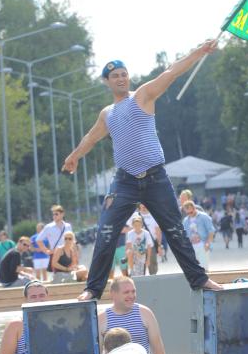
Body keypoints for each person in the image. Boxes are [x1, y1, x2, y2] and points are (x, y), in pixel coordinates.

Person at [62, 41, 222, 300]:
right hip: (124, 181)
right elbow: (91, 137)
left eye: (124, 74)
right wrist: (74, 156)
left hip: (155, 178)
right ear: (107, 81)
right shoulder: (108, 113)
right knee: (105, 232)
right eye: (115, 76)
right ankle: (92, 289)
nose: (121, 79)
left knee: (175, 231)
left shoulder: (143, 96)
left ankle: (200, 279)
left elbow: (171, 72)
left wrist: (198, 52)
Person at [98, 275, 167, 354]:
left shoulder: (145, 313)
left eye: (133, 291)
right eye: (126, 292)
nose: (131, 295)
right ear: (113, 294)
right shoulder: (102, 319)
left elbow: (158, 349)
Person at [36, 205, 73, 270]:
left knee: (71, 273)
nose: (54, 216)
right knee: (58, 276)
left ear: (62, 214)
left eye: (56, 214)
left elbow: (72, 240)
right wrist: (46, 251)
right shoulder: (49, 227)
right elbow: (38, 240)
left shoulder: (68, 226)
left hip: (67, 254)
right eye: (53, 214)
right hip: (56, 254)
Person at [182, 200, 215, 270]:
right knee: (193, 269)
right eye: (187, 213)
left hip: (203, 245)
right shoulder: (185, 220)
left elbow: (211, 231)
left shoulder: (204, 217)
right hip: (191, 247)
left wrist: (208, 243)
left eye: (191, 212)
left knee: (204, 268)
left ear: (194, 208)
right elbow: (184, 235)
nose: (189, 214)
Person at [137, 203, 162, 275]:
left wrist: (159, 245)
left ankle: (153, 283)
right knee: (140, 267)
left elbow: (158, 231)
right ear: (139, 205)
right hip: (138, 245)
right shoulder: (136, 216)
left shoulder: (154, 215)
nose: (144, 205)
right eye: (142, 203)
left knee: (153, 266)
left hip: (151, 244)